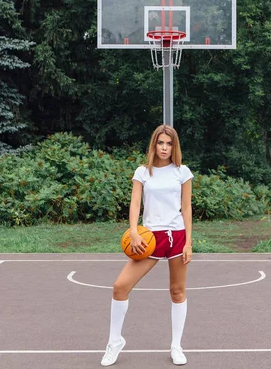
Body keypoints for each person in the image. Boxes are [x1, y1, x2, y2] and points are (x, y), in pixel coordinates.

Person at [101, 124, 194, 367]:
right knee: (120, 286)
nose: (164, 148)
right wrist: (133, 232)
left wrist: (189, 244)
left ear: (174, 146)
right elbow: (134, 205)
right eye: (160, 143)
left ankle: (176, 346)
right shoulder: (142, 172)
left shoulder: (182, 172)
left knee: (177, 291)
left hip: (176, 237)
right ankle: (114, 341)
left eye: (169, 143)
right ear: (154, 145)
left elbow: (186, 208)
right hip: (149, 238)